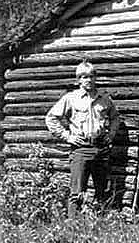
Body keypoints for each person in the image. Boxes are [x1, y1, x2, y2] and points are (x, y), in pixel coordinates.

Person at [45, 61, 119, 217]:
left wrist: (110, 135)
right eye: (84, 77)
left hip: (100, 149)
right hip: (81, 149)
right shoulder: (71, 98)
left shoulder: (104, 99)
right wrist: (68, 136)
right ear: (78, 80)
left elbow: (115, 118)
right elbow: (51, 118)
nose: (88, 80)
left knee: (103, 191)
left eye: (91, 76)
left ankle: (101, 226)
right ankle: (73, 230)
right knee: (77, 193)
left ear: (95, 78)